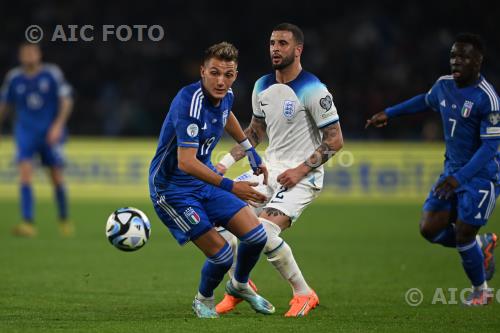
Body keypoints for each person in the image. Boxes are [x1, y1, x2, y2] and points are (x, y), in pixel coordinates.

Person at [214, 23, 344, 317]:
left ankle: (303, 293)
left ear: (298, 50)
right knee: (219, 213)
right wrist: (224, 162)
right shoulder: (262, 86)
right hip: (269, 169)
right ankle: (241, 284)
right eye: (272, 43)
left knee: (263, 232)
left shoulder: (314, 89)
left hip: (302, 177)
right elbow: (255, 132)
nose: (275, 48)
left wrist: (300, 170)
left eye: (283, 43)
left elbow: (335, 140)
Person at [366, 33, 499, 306]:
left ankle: (481, 292)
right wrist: (389, 113)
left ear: (478, 61)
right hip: (451, 171)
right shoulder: (443, 85)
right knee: (429, 229)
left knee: (463, 233)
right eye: (453, 55)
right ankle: (481, 245)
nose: (456, 61)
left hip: (480, 177)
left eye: (463, 56)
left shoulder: (488, 100)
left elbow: (489, 149)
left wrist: (459, 178)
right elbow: (423, 101)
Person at [148, 42, 275, 318]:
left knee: (255, 238)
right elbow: (186, 162)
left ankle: (239, 285)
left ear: (235, 75)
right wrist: (232, 186)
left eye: (227, 75)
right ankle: (203, 298)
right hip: (171, 190)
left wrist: (250, 149)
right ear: (202, 71)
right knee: (222, 255)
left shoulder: (225, 94)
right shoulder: (189, 101)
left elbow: (225, 113)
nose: (221, 81)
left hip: (202, 182)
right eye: (215, 73)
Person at [0, 43, 74, 237]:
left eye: (32, 52)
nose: (29, 56)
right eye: (25, 53)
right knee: (25, 173)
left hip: (50, 133)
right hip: (25, 132)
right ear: (20, 56)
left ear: (39, 54)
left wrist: (58, 125)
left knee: (56, 177)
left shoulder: (51, 74)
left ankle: (64, 219)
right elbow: (4, 105)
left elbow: (66, 100)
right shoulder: (14, 78)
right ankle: (28, 222)